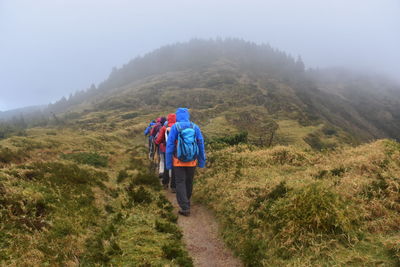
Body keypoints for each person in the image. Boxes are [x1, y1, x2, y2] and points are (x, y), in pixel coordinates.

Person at [166, 108, 206, 216]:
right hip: (192, 161)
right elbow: (201, 144)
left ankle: (184, 207)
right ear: (187, 116)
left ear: (178, 117)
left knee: (180, 182)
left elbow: (169, 146)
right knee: (189, 182)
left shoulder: (175, 127)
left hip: (178, 161)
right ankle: (187, 201)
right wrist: (202, 161)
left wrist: (168, 164)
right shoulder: (195, 127)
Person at [155, 113, 177, 192]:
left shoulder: (164, 128)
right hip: (176, 150)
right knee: (175, 167)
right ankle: (174, 187)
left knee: (166, 167)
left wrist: (157, 142)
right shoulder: (178, 127)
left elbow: (159, 139)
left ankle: (165, 183)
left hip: (165, 149)